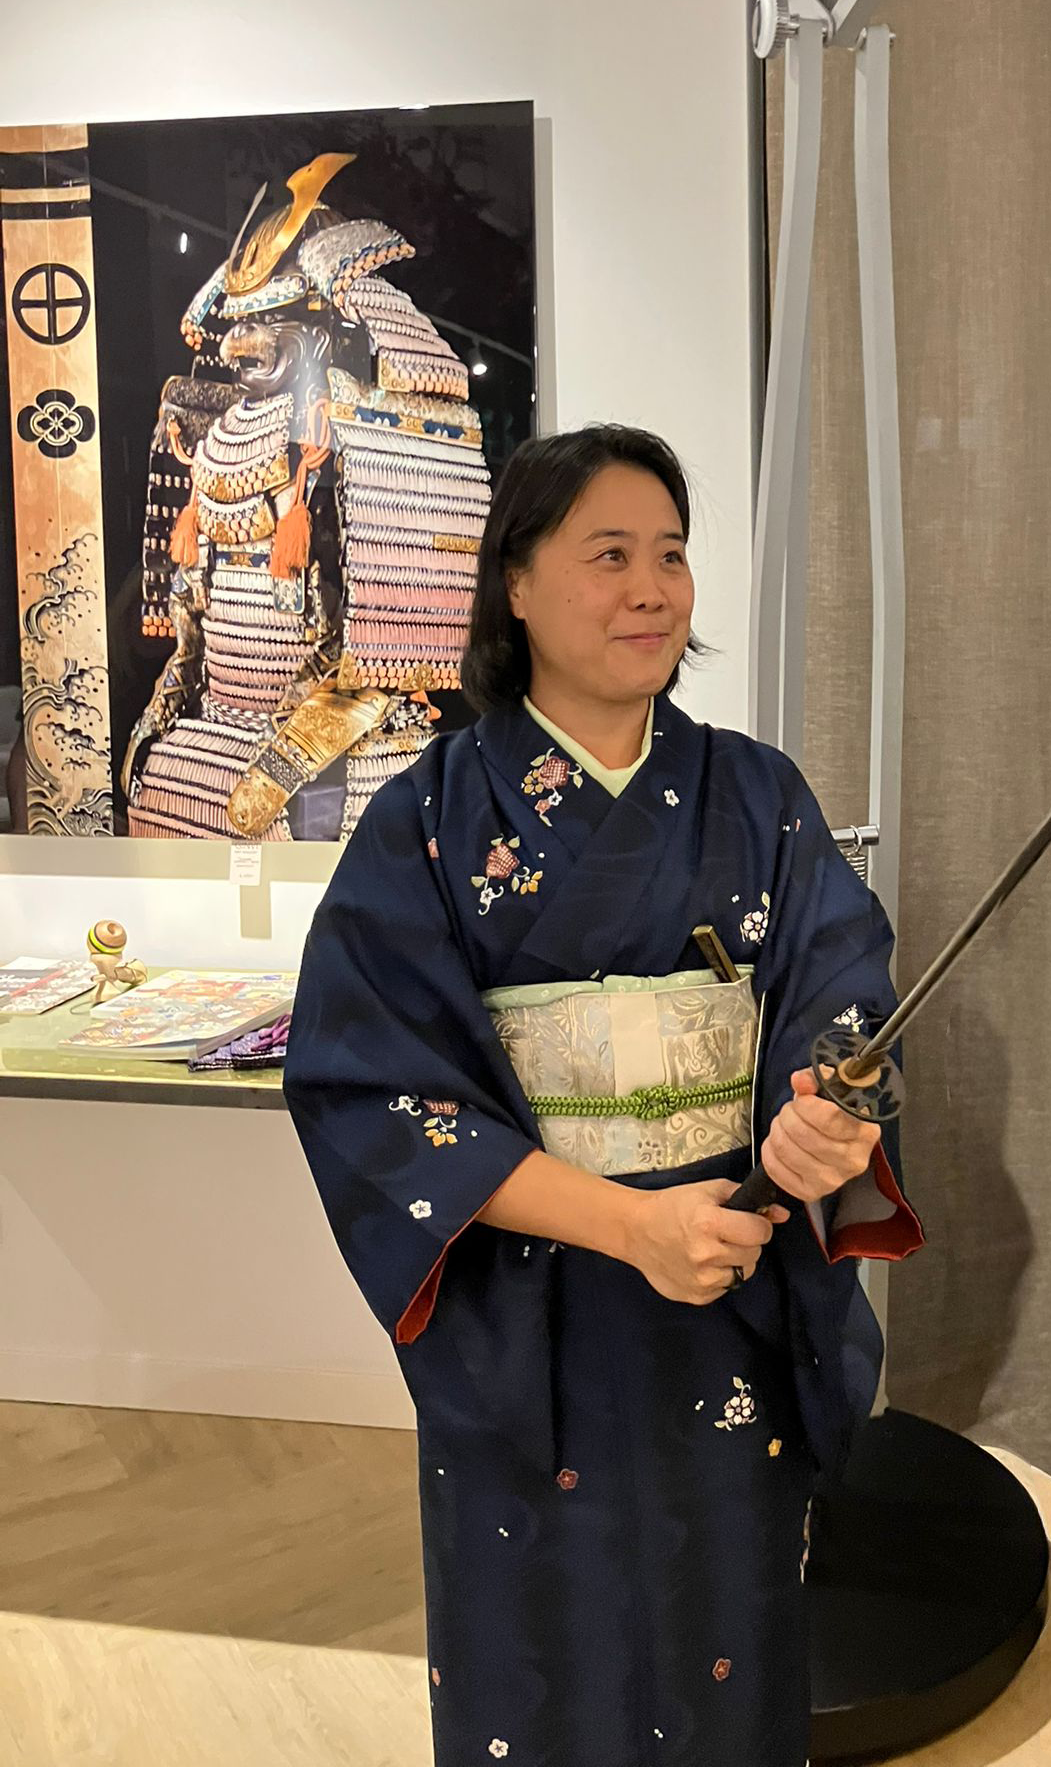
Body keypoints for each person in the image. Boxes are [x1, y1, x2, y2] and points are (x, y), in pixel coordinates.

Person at [283, 422, 924, 1767]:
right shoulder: (427, 823)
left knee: (729, 1631)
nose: (653, 588)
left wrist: (826, 1112)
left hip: (732, 1279)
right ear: (515, 583)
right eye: (610, 555)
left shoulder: (759, 796)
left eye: (673, 555)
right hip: (536, 1301)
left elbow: (840, 992)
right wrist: (626, 1224)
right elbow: (373, 1086)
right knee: (537, 1647)